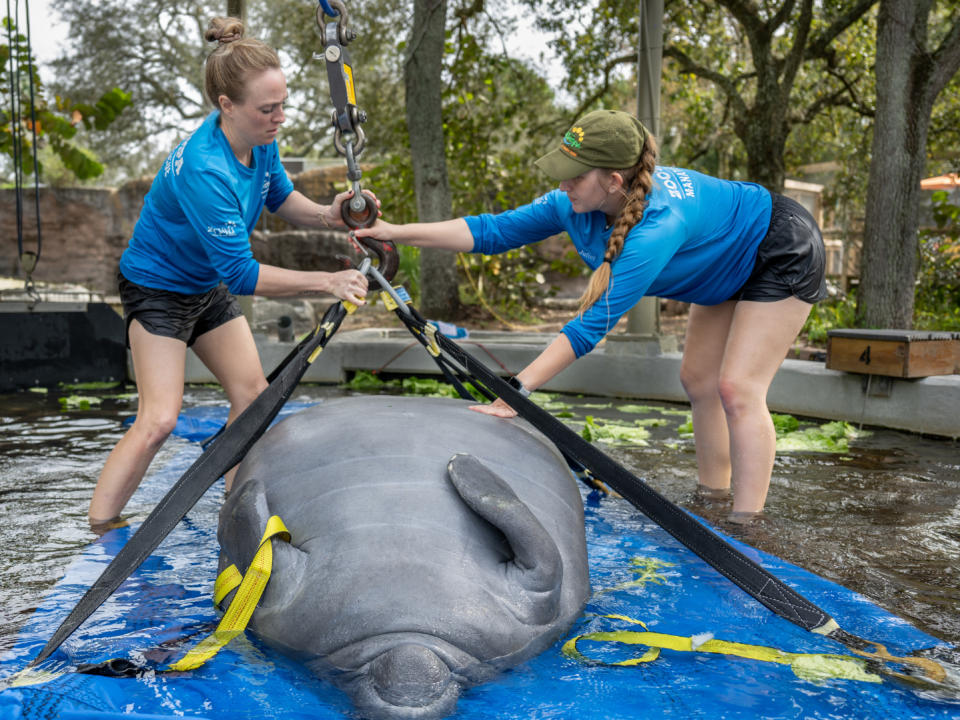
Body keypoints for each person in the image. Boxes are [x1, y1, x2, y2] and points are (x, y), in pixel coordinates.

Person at [355, 109, 827, 519]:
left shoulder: (657, 227)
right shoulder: (574, 202)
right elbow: (491, 231)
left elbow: (590, 326)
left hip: (777, 248)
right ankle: (712, 500)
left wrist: (515, 392)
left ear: (613, 182)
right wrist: (394, 231)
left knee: (738, 388)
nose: (561, 184)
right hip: (722, 265)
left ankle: (747, 528)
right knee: (699, 381)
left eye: (573, 175)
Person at [88, 17, 374, 523]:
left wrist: (331, 215)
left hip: (205, 284)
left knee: (252, 397)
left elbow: (280, 196)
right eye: (268, 108)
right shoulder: (205, 168)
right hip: (157, 289)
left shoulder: (260, 138)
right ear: (227, 107)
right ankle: (99, 529)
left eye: (282, 104)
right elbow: (243, 275)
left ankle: (231, 501)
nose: (280, 117)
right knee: (158, 419)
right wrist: (327, 282)